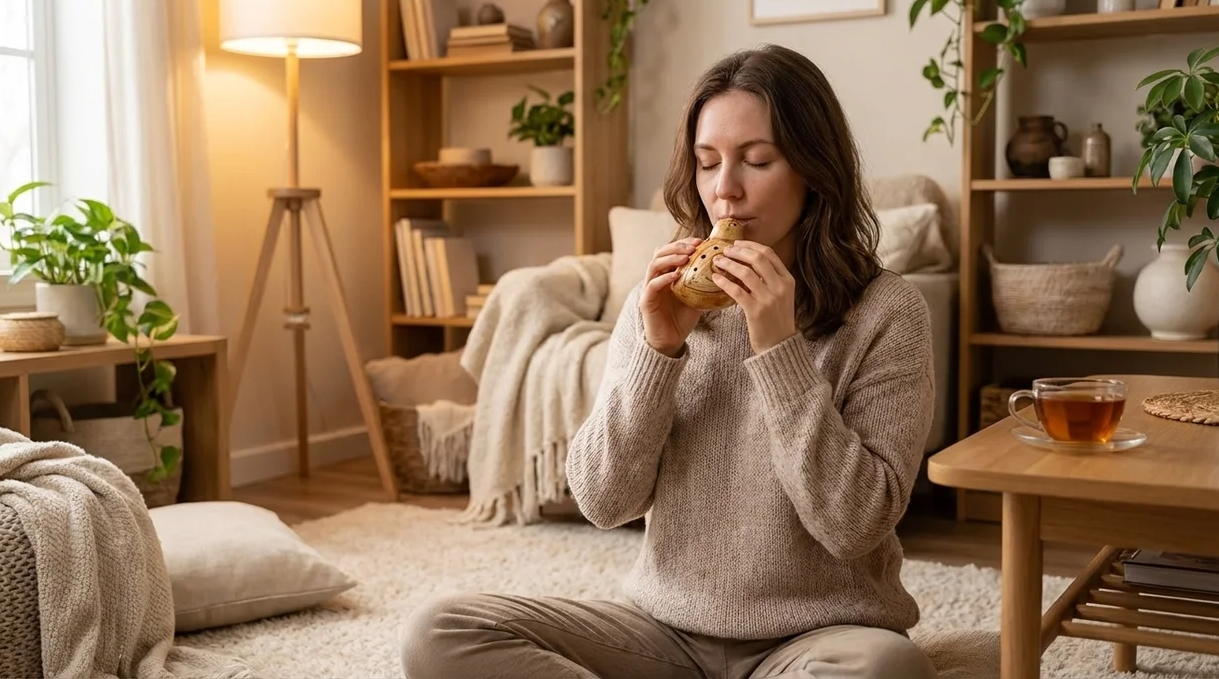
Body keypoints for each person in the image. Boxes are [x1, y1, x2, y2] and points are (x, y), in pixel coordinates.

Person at [399, 43, 938, 679]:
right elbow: (603, 501)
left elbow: (855, 525)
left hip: (821, 638)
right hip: (666, 634)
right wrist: (659, 353)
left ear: (814, 172)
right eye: (708, 164)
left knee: (887, 669)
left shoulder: (888, 312)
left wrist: (779, 350)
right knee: (440, 632)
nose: (725, 190)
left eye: (757, 161)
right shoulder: (661, 304)